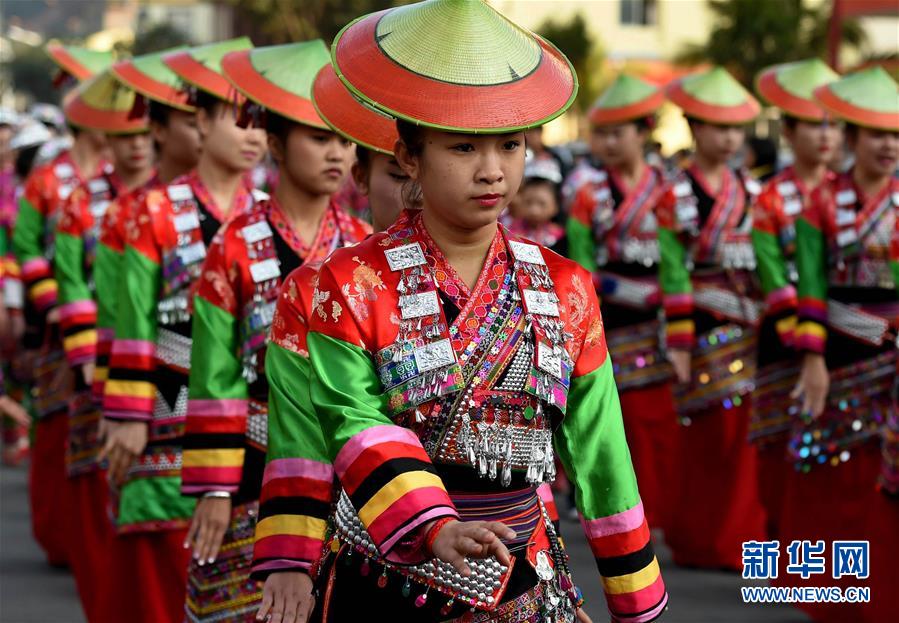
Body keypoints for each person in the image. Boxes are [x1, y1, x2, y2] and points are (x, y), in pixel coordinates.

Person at [258, 2, 667, 622]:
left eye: (511, 145)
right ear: (409, 158)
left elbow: (601, 448)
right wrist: (430, 523)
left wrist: (633, 601)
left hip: (526, 581)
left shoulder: (567, 285)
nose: (493, 171)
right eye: (463, 147)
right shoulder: (348, 283)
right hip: (388, 578)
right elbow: (351, 418)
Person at [177, 40, 367, 622]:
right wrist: (213, 487)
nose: (337, 153)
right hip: (253, 463)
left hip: (350, 466)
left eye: (344, 139)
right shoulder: (233, 243)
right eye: (319, 138)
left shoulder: (364, 244)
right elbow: (214, 370)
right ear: (278, 144)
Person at [99, 37, 264, 623]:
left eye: (260, 124)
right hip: (168, 402)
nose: (252, 135)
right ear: (199, 123)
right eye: (239, 120)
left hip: (255, 417)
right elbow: (131, 318)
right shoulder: (150, 210)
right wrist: (125, 413)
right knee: (162, 578)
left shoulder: (265, 210)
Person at [776, 66, 898, 623]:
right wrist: (813, 360)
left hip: (893, 361)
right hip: (836, 356)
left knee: (883, 477)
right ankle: (820, 594)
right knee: (825, 472)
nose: (890, 147)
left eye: (897, 137)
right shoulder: (818, 204)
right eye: (878, 135)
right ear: (850, 138)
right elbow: (812, 288)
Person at [54, 68, 155, 623]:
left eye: (145, 135)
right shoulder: (80, 202)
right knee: (101, 479)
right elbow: (70, 280)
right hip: (97, 358)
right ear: (108, 142)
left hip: (157, 367)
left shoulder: (165, 203)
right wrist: (90, 357)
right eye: (127, 137)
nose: (137, 146)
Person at [656, 66, 767, 570]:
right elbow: (673, 269)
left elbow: (766, 259)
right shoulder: (676, 193)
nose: (729, 139)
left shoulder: (753, 190)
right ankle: (699, 538)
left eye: (735, 129)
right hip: (700, 331)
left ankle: (736, 541)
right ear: (695, 129)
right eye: (718, 127)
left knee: (744, 440)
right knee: (705, 438)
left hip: (750, 327)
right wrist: (678, 342)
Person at [12, 44, 111, 568]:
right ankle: (60, 537)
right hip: (63, 332)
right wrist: (51, 301)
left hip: (116, 330)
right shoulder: (48, 179)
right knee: (57, 432)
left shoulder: (128, 181)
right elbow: (26, 246)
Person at [565, 74, 677, 534]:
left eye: (620, 132)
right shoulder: (587, 192)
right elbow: (580, 262)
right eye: (602, 133)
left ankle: (656, 511)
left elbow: (674, 258)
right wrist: (611, 295)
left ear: (644, 132)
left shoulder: (668, 188)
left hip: (658, 323)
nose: (609, 143)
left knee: (657, 421)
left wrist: (672, 307)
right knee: (613, 420)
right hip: (606, 321)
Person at [750, 58, 841, 538]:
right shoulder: (770, 198)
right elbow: (773, 275)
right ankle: (780, 542)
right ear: (788, 130)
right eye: (812, 124)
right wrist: (807, 341)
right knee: (778, 442)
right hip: (788, 334)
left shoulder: (845, 193)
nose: (825, 136)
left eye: (833, 125)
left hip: (836, 336)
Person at [503, 158, 566, 255]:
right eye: (528, 202)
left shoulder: (560, 236)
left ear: (555, 206)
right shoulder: (510, 233)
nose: (534, 211)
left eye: (542, 204)